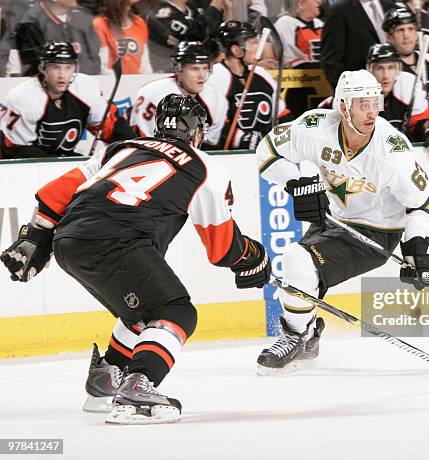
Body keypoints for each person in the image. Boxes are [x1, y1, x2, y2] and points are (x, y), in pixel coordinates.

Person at [0, 94, 271, 424]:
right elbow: (222, 249)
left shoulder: (122, 148)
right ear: (197, 131)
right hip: (119, 241)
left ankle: (107, 377)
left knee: (143, 311)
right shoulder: (205, 166)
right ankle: (139, 384)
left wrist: (34, 238)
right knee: (175, 311)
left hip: (69, 240)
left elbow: (57, 191)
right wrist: (252, 256)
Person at [254, 69, 429, 373]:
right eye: (363, 105)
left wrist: (418, 246)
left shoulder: (391, 151)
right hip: (332, 218)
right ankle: (307, 336)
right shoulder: (316, 127)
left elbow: (424, 201)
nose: (372, 113)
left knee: (297, 258)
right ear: (343, 107)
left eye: (375, 104)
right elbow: (266, 150)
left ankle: (296, 336)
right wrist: (296, 182)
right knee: (300, 268)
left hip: (377, 232)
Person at [0, 41, 134, 159]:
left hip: (63, 158)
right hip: (21, 166)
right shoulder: (22, 97)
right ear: (42, 68)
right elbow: (15, 150)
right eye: (55, 67)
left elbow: (110, 127)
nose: (62, 75)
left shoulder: (85, 87)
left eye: (68, 67)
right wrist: (62, 164)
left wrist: (136, 147)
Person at [207, 21, 290, 150]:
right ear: (236, 50)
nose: (258, 48)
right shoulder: (214, 77)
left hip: (265, 153)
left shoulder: (261, 74)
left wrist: (288, 135)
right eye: (253, 43)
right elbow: (209, 123)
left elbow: (282, 114)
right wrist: (241, 138)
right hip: (229, 157)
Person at [130, 41, 227, 149]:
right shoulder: (152, 94)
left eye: (205, 68)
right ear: (178, 69)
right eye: (195, 69)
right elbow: (141, 140)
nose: (202, 76)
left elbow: (210, 145)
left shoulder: (216, 99)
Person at [366, 43, 429, 160]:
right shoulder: (357, 89)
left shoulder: (409, 85)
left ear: (398, 69)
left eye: (390, 67)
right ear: (369, 70)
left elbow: (421, 122)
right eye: (379, 68)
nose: (385, 75)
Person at [382, 7, 429, 136]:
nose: (406, 35)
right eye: (400, 30)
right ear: (388, 36)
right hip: (409, 140)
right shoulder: (386, 70)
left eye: (410, 29)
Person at [320, 0, 395, 89]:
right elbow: (331, 60)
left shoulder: (392, 8)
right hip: (359, 93)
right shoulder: (338, 11)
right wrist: (347, 93)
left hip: (396, 93)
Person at [14, 0, 101, 75]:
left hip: (83, 83)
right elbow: (34, 66)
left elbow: (95, 60)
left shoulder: (83, 18)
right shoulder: (30, 23)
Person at [147, 0, 226, 73]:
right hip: (168, 72)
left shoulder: (192, 8)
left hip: (198, 68)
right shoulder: (161, 13)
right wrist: (216, 4)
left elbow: (211, 35)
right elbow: (198, 34)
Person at [93, 0, 153, 75]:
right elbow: (102, 65)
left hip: (136, 79)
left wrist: (149, 78)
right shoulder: (100, 24)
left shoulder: (139, 22)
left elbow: (144, 62)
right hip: (112, 79)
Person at [274, 0, 324, 68]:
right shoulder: (284, 23)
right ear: (301, 4)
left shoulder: (320, 23)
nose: (319, 1)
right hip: (297, 74)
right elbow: (289, 59)